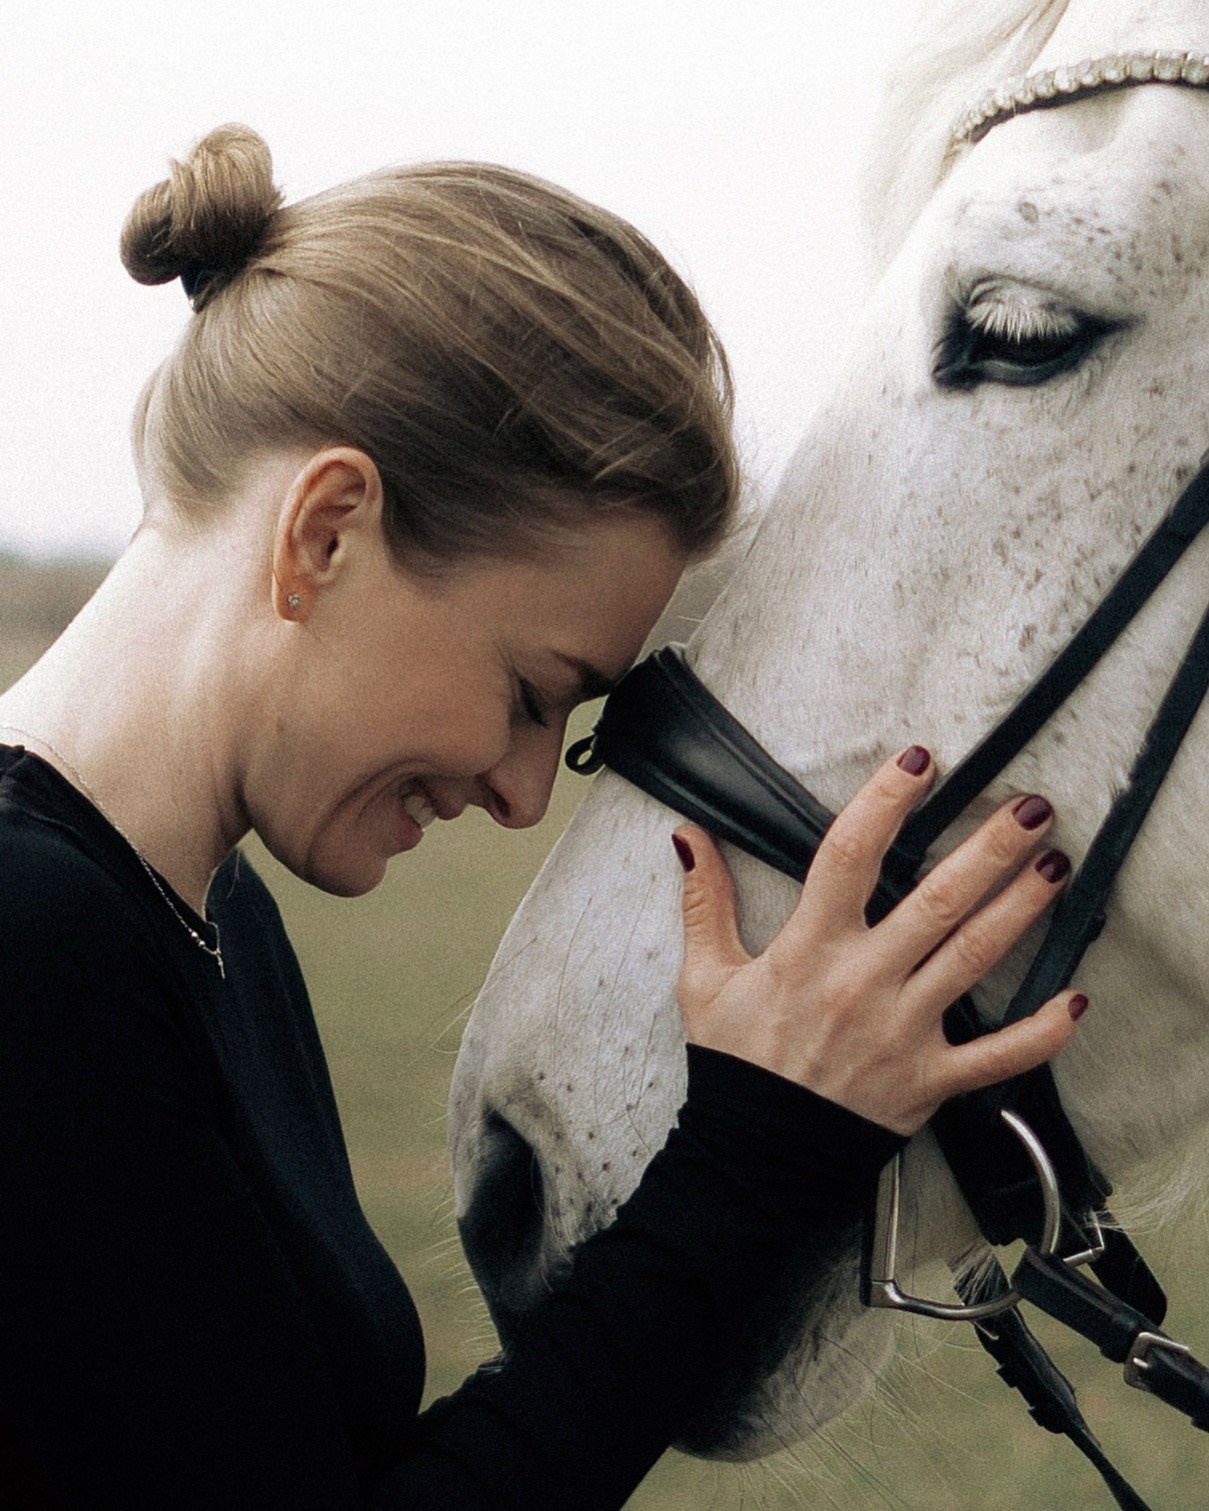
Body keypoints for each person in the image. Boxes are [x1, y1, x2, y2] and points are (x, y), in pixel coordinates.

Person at [0, 125, 1085, 1510]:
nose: (521, 792)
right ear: (325, 532)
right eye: (530, 690)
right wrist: (757, 1155)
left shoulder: (203, 920)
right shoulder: (33, 943)